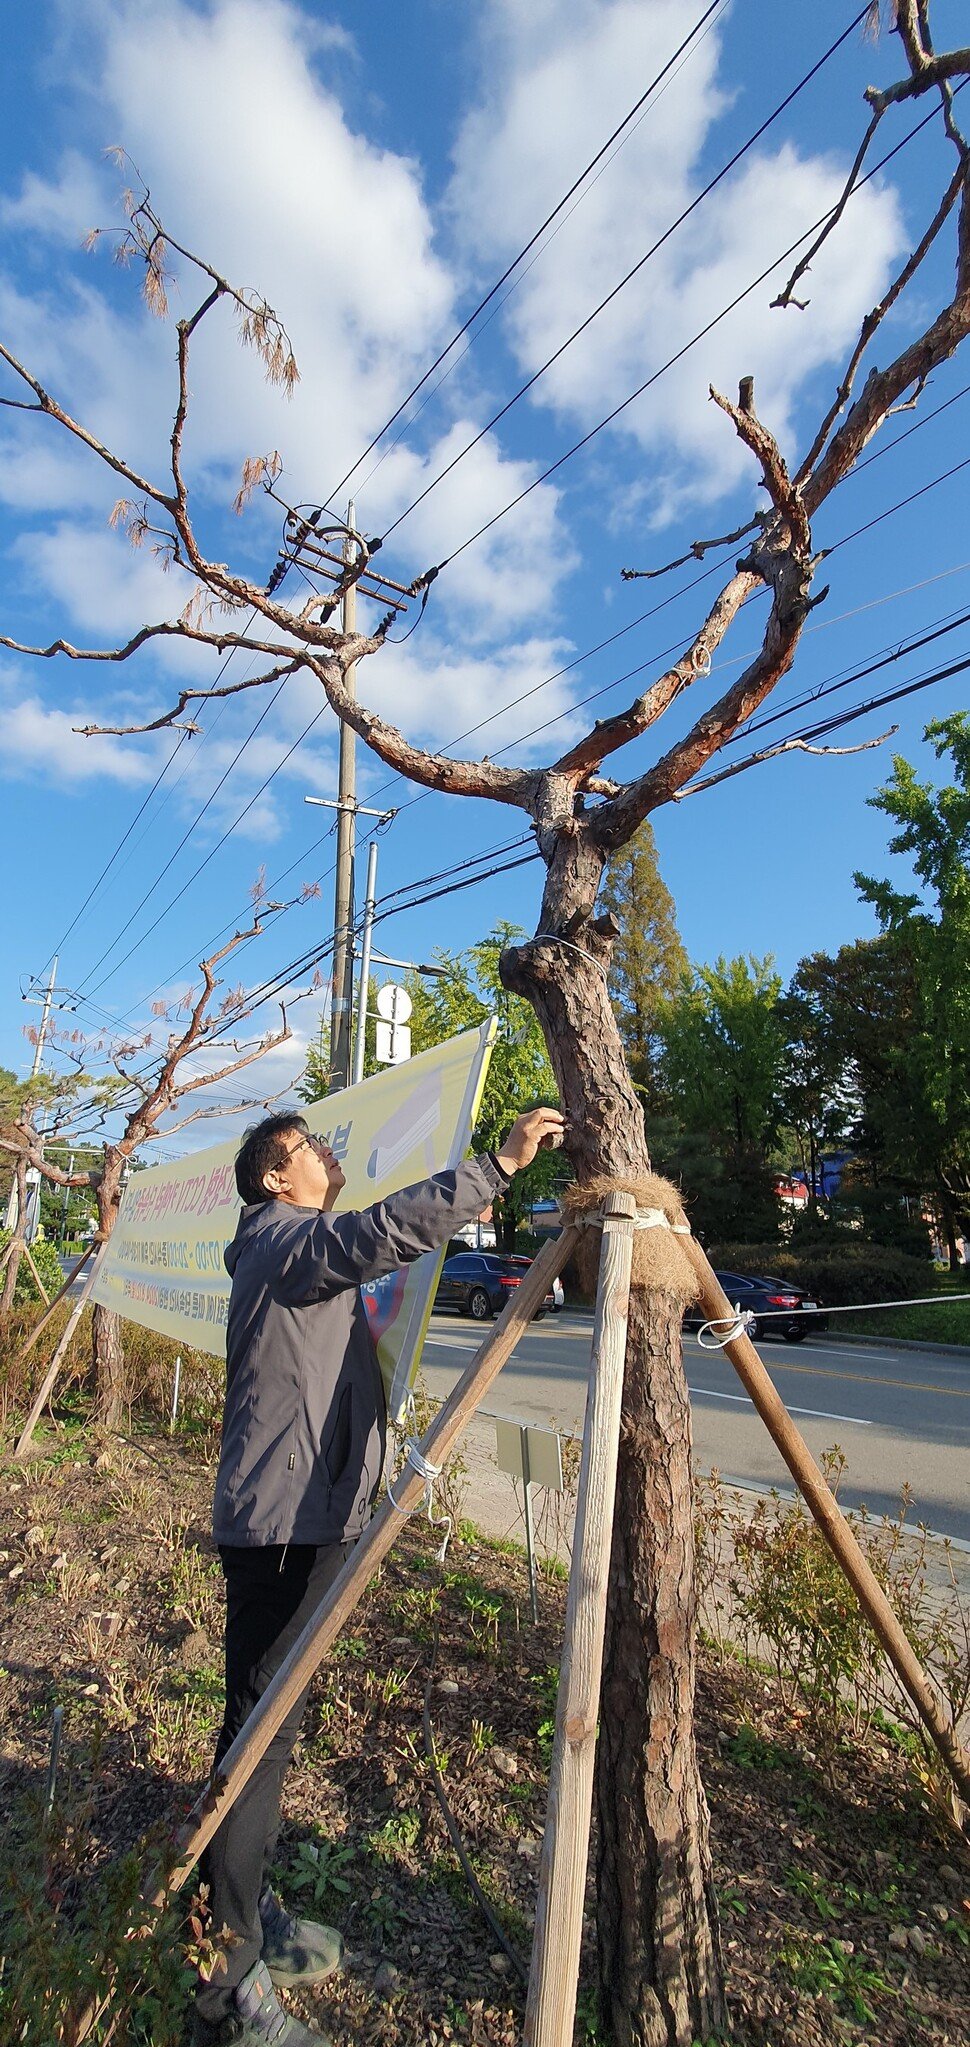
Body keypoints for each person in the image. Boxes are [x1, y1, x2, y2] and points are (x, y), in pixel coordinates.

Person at [192, 1101, 564, 2047]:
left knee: (263, 1727)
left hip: (300, 1519)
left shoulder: (281, 1247)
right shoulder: (284, 1237)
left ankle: (239, 1913)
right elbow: (383, 1231)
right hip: (281, 1529)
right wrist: (499, 1165)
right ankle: (224, 1984)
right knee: (256, 1741)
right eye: (307, 1148)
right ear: (276, 1179)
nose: (324, 1153)